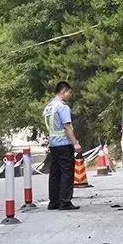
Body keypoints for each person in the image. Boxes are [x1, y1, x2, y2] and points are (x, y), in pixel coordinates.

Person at [44, 81, 82, 211]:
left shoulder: (49, 107)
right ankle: (65, 201)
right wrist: (75, 143)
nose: (69, 95)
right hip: (64, 143)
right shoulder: (62, 107)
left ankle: (53, 201)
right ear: (63, 91)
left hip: (53, 144)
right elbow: (67, 126)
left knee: (55, 172)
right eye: (69, 92)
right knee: (67, 172)